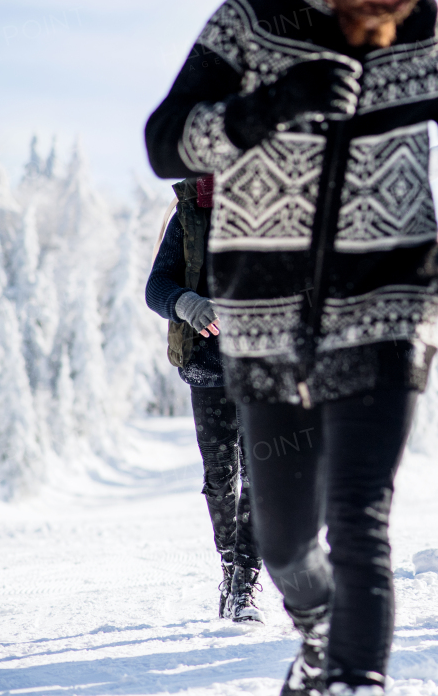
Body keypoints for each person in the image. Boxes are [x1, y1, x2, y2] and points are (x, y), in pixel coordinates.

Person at [144, 0, 438, 696]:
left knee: (359, 515)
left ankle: (354, 679)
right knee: (280, 537)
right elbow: (166, 140)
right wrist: (262, 108)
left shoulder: (424, 29)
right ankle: (316, 634)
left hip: (389, 302)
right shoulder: (251, 21)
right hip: (264, 315)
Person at [145, 175, 263, 624]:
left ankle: (244, 587)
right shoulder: (191, 213)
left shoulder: (283, 207)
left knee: (260, 474)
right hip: (207, 365)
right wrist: (186, 303)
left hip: (264, 365)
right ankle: (230, 566)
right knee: (221, 475)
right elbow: (156, 287)